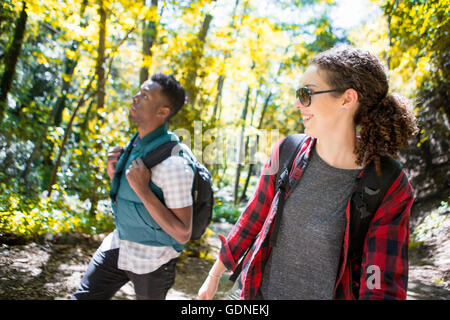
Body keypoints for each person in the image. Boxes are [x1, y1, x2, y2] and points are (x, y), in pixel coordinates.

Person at [198, 45, 418, 300]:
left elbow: (379, 277)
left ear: (347, 99)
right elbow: (252, 219)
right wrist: (213, 276)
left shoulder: (388, 183)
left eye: (307, 93)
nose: (297, 103)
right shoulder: (285, 151)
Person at [72, 73, 194, 300]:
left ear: (163, 112)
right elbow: (131, 196)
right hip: (119, 244)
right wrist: (114, 175)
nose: (135, 98)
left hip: (154, 261)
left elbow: (183, 232)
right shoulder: (135, 144)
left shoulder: (175, 163)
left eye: (145, 96)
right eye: (139, 92)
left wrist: (143, 190)